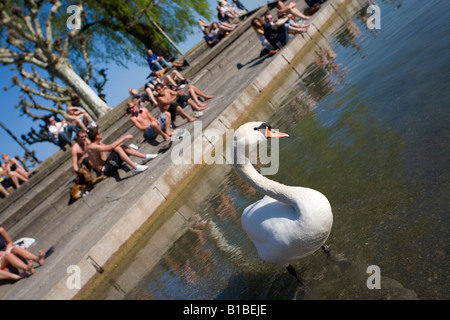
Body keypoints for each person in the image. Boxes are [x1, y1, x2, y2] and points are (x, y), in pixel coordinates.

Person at [87, 126, 156, 177]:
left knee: (120, 145)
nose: (102, 134)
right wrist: (124, 138)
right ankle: (135, 167)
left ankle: (144, 157)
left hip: (109, 163)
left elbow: (110, 149)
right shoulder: (93, 147)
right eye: (100, 133)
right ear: (96, 136)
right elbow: (111, 147)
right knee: (118, 148)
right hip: (106, 170)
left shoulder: (97, 143)